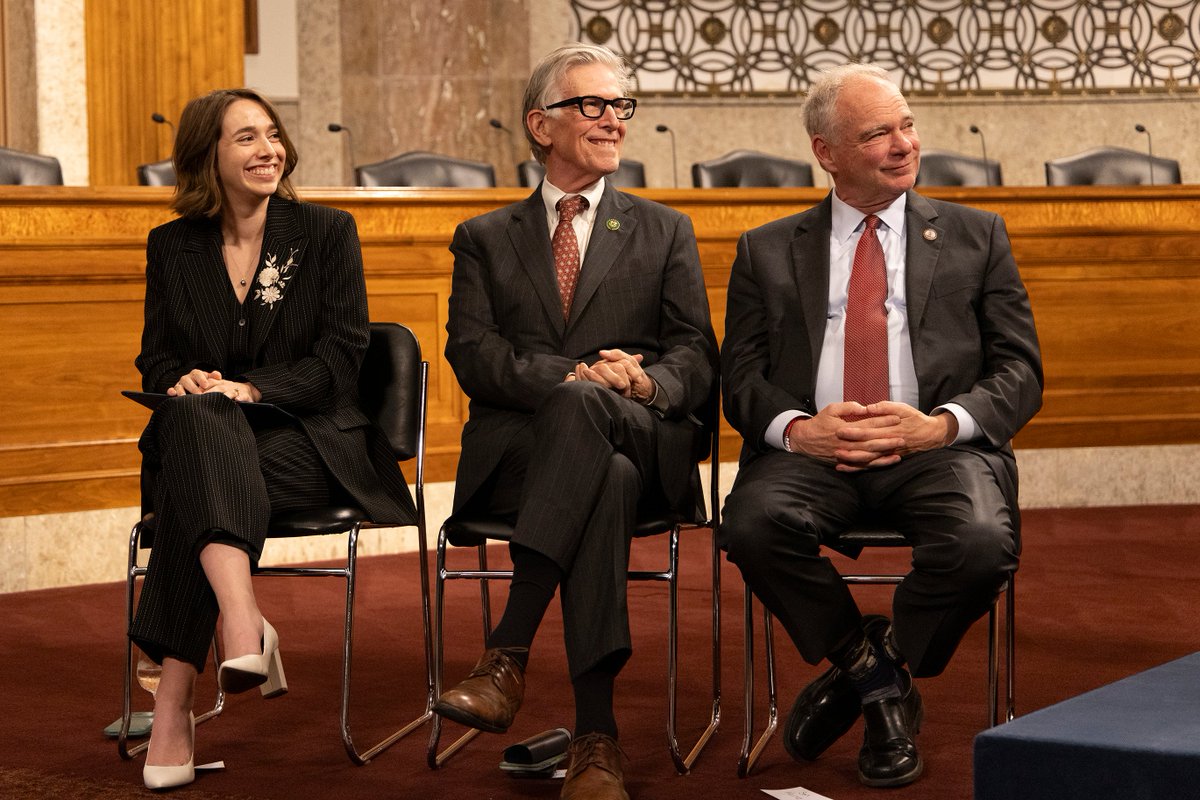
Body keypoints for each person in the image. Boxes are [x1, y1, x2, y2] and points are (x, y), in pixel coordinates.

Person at [719, 63, 1043, 789]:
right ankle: (877, 679)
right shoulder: (765, 249)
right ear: (826, 152)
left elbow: (1021, 371)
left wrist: (942, 426)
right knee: (750, 526)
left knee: (982, 545)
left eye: (907, 125)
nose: (904, 145)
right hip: (811, 455)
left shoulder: (976, 235)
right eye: (877, 134)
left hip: (936, 451)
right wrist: (797, 429)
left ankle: (870, 672)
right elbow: (739, 378)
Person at [433, 43, 717, 800]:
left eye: (621, 105)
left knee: (604, 435)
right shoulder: (484, 237)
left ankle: (507, 655)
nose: (613, 119)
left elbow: (696, 353)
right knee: (602, 471)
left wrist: (646, 382)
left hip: (643, 435)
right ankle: (597, 738)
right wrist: (574, 379)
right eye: (592, 104)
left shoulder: (664, 229)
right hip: (523, 459)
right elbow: (473, 354)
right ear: (541, 124)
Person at [130, 88, 415, 790]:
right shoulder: (172, 246)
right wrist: (186, 379)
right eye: (246, 138)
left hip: (311, 444)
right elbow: (156, 358)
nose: (268, 150)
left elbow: (340, 360)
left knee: (195, 473)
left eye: (273, 134)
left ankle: (173, 703)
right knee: (200, 423)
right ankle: (243, 619)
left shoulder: (325, 232)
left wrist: (251, 390)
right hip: (213, 443)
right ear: (208, 156)